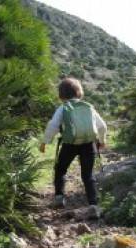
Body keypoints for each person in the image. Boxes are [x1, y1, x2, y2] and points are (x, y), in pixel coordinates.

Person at [39, 77, 107, 219]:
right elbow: (102, 126)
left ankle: (59, 197)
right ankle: (93, 205)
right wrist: (102, 141)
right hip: (89, 144)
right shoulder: (89, 107)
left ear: (61, 95)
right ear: (79, 92)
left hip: (69, 144)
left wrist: (45, 142)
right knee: (88, 175)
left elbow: (53, 126)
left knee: (60, 169)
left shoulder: (63, 108)